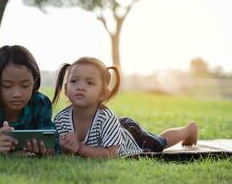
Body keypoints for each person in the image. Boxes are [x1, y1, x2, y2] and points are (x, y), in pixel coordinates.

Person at [52, 57, 198, 158]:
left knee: (159, 143)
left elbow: (110, 154)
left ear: (103, 93)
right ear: (66, 88)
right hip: (115, 129)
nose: (80, 87)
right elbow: (56, 149)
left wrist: (79, 148)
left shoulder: (106, 118)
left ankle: (188, 130)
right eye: (74, 81)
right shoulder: (61, 119)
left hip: (131, 134)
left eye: (89, 83)